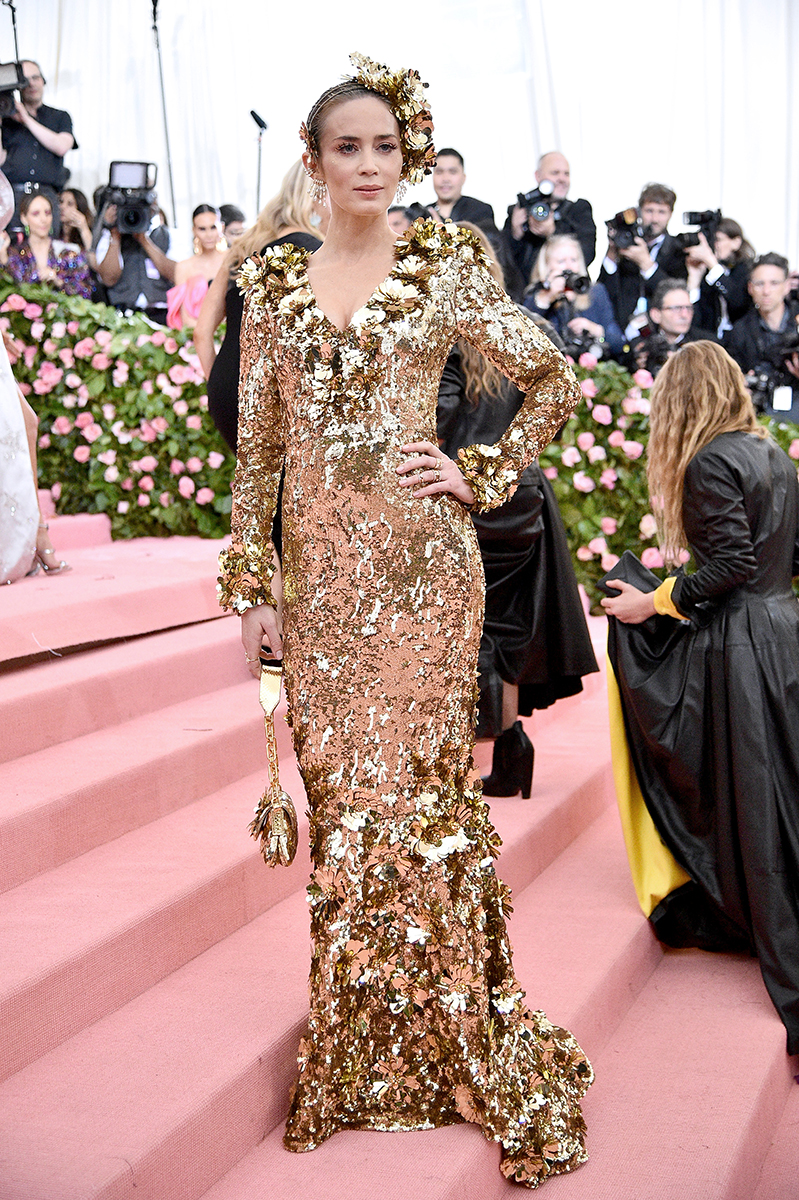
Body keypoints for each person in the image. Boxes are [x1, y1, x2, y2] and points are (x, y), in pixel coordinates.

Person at [217, 52, 592, 1188]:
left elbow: (555, 381)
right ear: (314, 161)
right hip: (323, 591)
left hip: (426, 578)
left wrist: (477, 471)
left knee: (422, 806)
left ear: (409, 156)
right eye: (349, 148)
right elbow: (261, 455)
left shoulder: (444, 269)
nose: (372, 166)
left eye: (388, 147)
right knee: (343, 815)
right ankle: (357, 1057)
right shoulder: (272, 287)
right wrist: (252, 587)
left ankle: (449, 1046)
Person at [601, 340, 799, 1056]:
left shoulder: (711, 459)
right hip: (781, 632)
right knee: (781, 791)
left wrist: (651, 602)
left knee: (753, 793)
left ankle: (753, 908)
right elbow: (782, 558)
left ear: (679, 401)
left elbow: (732, 565)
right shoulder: (770, 452)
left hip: (744, 644)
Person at [438, 223, 598, 797]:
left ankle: (465, 763)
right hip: (521, 495)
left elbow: (439, 425)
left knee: (467, 632)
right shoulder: (526, 326)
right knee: (504, 630)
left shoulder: (445, 340)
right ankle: (510, 751)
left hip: (464, 498)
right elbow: (557, 403)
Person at [195, 161, 324, 453]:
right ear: (320, 197)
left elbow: (202, 332)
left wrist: (223, 382)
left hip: (227, 390)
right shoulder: (316, 252)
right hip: (279, 400)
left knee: (255, 490)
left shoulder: (244, 246)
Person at [501, 152, 596, 302]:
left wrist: (553, 232)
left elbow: (587, 253)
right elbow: (503, 264)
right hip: (526, 300)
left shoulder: (578, 211)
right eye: (555, 173)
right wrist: (515, 234)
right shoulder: (520, 211)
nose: (562, 179)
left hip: (569, 297)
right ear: (538, 176)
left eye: (566, 174)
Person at [598, 183, 688, 338]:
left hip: (660, 333)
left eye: (661, 212)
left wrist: (646, 264)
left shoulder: (678, 249)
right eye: (649, 211)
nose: (654, 219)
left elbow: (676, 293)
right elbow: (604, 291)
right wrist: (612, 254)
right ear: (639, 212)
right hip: (621, 328)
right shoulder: (626, 242)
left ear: (670, 214)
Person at [0, 59, 76, 234]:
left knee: (48, 251)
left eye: (35, 78)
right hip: (12, 197)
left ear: (43, 80)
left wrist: (26, 119)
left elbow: (61, 146)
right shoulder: (7, 121)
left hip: (47, 197)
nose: (31, 84)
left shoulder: (59, 117)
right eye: (25, 80)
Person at [524, 233, 625, 358]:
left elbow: (618, 343)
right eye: (561, 261)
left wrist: (596, 330)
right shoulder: (535, 295)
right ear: (546, 266)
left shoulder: (596, 292)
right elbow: (523, 333)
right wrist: (548, 296)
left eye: (573, 260)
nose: (569, 267)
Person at [95, 196, 176, 322]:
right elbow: (108, 279)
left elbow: (175, 274)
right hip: (123, 314)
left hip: (161, 315)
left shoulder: (168, 235)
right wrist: (115, 236)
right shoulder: (109, 236)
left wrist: (144, 240)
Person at [0, 191, 91, 297]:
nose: (43, 219)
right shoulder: (16, 254)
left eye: (47, 213)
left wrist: (57, 281)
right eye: (36, 214)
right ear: (24, 218)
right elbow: (9, 290)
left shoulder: (67, 252)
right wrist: (4, 258)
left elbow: (85, 291)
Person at [724, 253, 799, 375]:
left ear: (787, 286)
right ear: (750, 288)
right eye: (759, 284)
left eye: (774, 283)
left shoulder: (797, 320)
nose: (766, 291)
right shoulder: (740, 331)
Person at [625, 279, 717, 376]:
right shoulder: (641, 346)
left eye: (689, 308)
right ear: (656, 314)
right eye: (676, 308)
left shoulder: (707, 345)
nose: (684, 315)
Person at [685, 217, 755, 337]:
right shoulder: (708, 273)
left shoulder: (747, 270)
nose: (712, 245)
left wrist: (712, 264)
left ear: (736, 242)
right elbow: (693, 320)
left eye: (718, 240)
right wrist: (694, 282)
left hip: (739, 341)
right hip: (710, 339)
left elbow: (737, 301)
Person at [165, 204, 227, 330]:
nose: (208, 234)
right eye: (202, 229)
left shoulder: (234, 259)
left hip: (234, 333)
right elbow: (185, 318)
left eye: (213, 227)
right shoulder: (183, 267)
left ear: (222, 227)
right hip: (196, 335)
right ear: (194, 230)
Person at [426, 147, 497, 236]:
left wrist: (443, 234)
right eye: (439, 172)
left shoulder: (480, 211)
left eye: (452, 172)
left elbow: (490, 247)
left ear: (463, 178)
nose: (445, 179)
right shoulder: (423, 216)